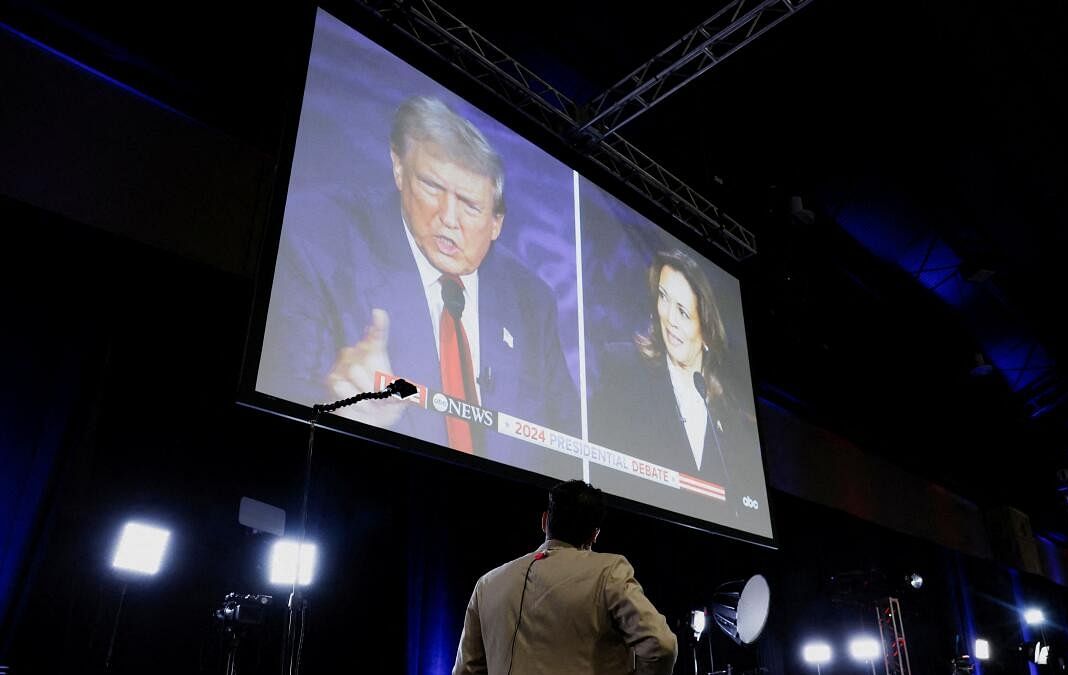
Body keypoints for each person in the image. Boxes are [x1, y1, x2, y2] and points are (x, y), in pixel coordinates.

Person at [259, 96, 580, 476]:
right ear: (398, 168)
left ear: (497, 223)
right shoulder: (317, 238)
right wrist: (339, 401)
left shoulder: (531, 299)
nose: (448, 218)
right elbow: (279, 391)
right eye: (431, 186)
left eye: (469, 205)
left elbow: (566, 445)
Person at [587, 249, 758, 524]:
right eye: (663, 298)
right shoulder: (622, 367)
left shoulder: (730, 411)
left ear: (706, 327)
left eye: (683, 311)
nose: (670, 320)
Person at [452, 480, 677, 675]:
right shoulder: (609, 572)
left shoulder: (487, 584)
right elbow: (661, 645)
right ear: (594, 534)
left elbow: (467, 670)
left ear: (544, 521)